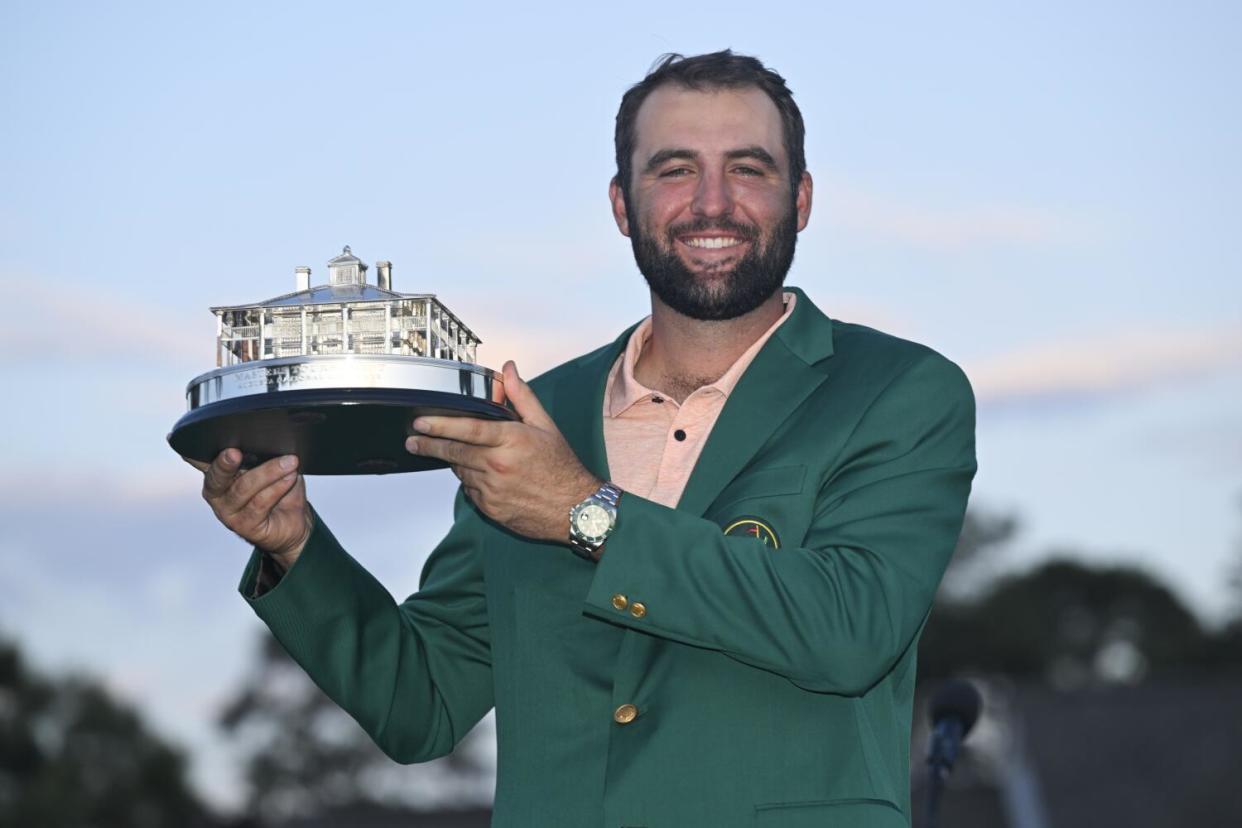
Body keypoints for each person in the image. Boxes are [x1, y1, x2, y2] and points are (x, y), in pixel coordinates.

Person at [193, 50, 976, 828]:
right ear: (621, 204)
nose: (712, 203)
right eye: (673, 170)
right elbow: (421, 703)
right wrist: (296, 548)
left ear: (800, 199)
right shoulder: (538, 414)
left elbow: (849, 630)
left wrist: (584, 511)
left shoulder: (897, 392)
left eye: (748, 169)